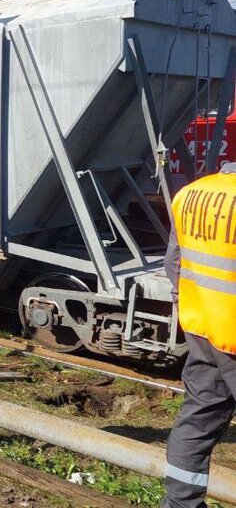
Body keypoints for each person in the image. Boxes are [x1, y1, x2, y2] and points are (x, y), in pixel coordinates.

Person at [162, 163, 236, 508]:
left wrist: (193, 311)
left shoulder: (190, 193)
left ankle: (180, 504)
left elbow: (173, 264)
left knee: (197, 419)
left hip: (203, 330)